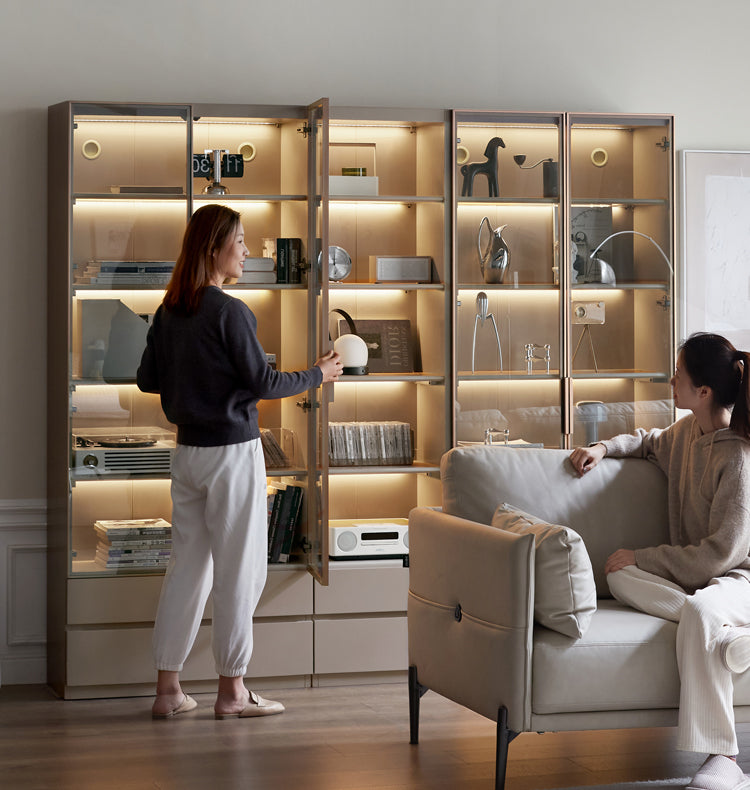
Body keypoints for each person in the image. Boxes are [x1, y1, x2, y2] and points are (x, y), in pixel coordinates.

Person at [137, 204, 342, 720]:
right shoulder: (230, 312)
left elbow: (147, 379)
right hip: (232, 454)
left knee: (187, 569)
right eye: (241, 242)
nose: (248, 251)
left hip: (187, 455)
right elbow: (266, 384)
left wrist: (195, 378)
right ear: (214, 249)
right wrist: (319, 373)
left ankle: (168, 691)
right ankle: (231, 693)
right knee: (241, 572)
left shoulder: (168, 311)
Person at [570, 333, 750, 790]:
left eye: (679, 374)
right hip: (697, 582)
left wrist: (648, 557)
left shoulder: (739, 456)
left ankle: (724, 755)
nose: (671, 380)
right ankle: (725, 635)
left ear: (703, 392)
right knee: (619, 575)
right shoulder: (689, 433)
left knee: (698, 606)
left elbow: (720, 555)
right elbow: (649, 441)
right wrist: (603, 448)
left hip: (737, 578)